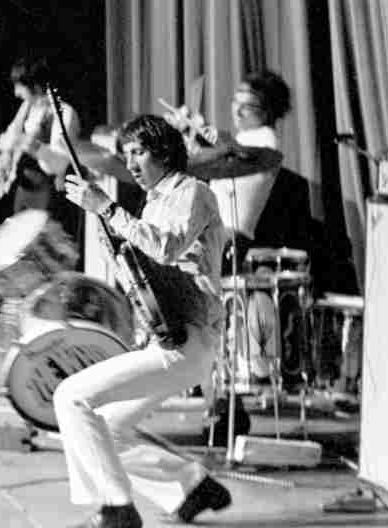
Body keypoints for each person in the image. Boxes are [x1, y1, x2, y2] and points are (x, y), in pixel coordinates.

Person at [57, 114, 232, 527]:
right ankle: (191, 484)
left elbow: (166, 248)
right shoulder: (153, 201)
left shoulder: (194, 192)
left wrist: (108, 208)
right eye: (126, 154)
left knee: (71, 398)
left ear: (165, 152)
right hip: (168, 340)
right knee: (107, 428)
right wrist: (107, 230)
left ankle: (116, 508)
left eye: (139, 152)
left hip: (188, 341)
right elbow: (144, 275)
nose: (131, 164)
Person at [207, 71, 299, 387]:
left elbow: (234, 151)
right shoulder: (244, 140)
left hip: (232, 235)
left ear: (265, 111)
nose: (236, 111)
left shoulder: (264, 141)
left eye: (247, 107)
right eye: (235, 102)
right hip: (216, 232)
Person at [0, 56, 81, 226]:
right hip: (25, 190)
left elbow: (59, 164)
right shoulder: (28, 108)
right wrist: (4, 156)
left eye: (20, 86)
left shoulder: (63, 114)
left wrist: (33, 146)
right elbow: (8, 139)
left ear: (36, 86)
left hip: (48, 195)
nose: (16, 93)